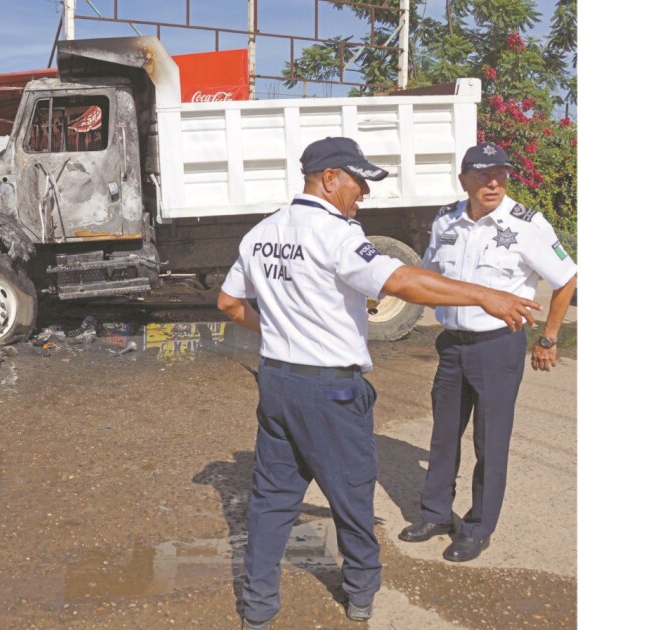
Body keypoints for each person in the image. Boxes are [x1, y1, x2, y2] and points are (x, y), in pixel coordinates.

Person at [217, 137, 542, 629]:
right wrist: (486, 296)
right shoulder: (338, 234)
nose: (363, 194)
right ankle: (362, 593)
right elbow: (403, 282)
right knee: (350, 494)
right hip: (330, 390)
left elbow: (228, 303)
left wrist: (280, 332)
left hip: (278, 384)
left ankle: (258, 611)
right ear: (329, 179)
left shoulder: (261, 233)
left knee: (270, 501)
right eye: (358, 182)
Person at [397, 142, 578, 562]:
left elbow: (567, 277)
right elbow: (428, 275)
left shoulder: (527, 224)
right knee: (443, 436)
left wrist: (548, 338)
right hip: (452, 346)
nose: (493, 181)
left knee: (489, 443)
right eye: (482, 173)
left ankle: (479, 527)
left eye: (500, 173)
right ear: (464, 179)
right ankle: (436, 514)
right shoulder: (446, 220)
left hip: (498, 346)